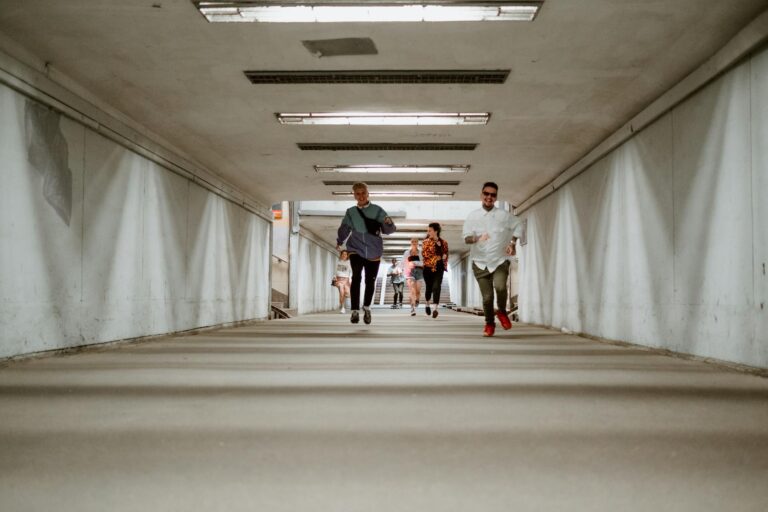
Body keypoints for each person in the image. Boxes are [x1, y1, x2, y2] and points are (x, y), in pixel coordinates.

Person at [462, 182, 523, 337]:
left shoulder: (504, 216)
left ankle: (502, 311)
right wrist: (477, 238)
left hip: (499, 260)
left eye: (493, 195)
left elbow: (519, 225)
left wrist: (512, 242)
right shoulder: (473, 216)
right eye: (486, 194)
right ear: (481, 195)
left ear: (496, 197)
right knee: (487, 297)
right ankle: (489, 323)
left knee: (501, 287)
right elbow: (466, 238)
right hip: (479, 263)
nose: (489, 197)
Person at [336, 182, 396, 324]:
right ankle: (355, 310)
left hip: (374, 250)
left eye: (363, 193)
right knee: (356, 277)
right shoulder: (351, 212)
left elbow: (388, 231)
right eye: (358, 193)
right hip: (355, 248)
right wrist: (340, 241)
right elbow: (344, 228)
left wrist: (388, 223)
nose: (361, 196)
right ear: (354, 195)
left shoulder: (377, 210)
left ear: (368, 194)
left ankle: (367, 308)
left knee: (370, 280)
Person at [421, 222, 448, 319]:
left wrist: (444, 257)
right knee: (429, 288)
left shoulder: (444, 242)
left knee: (437, 287)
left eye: (430, 230)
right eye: (428, 231)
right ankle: (427, 304)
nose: (428, 232)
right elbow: (425, 255)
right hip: (428, 268)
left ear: (436, 231)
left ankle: (435, 309)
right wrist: (437, 257)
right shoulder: (425, 242)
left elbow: (446, 253)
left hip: (439, 268)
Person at [402, 238, 424, 317]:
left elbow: (424, 262)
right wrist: (400, 269)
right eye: (412, 242)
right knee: (412, 290)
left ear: (418, 243)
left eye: (415, 242)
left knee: (418, 291)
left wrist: (415, 263)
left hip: (419, 271)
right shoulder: (407, 252)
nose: (414, 243)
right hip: (409, 271)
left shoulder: (421, 252)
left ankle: (417, 300)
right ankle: (412, 308)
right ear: (410, 243)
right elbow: (403, 262)